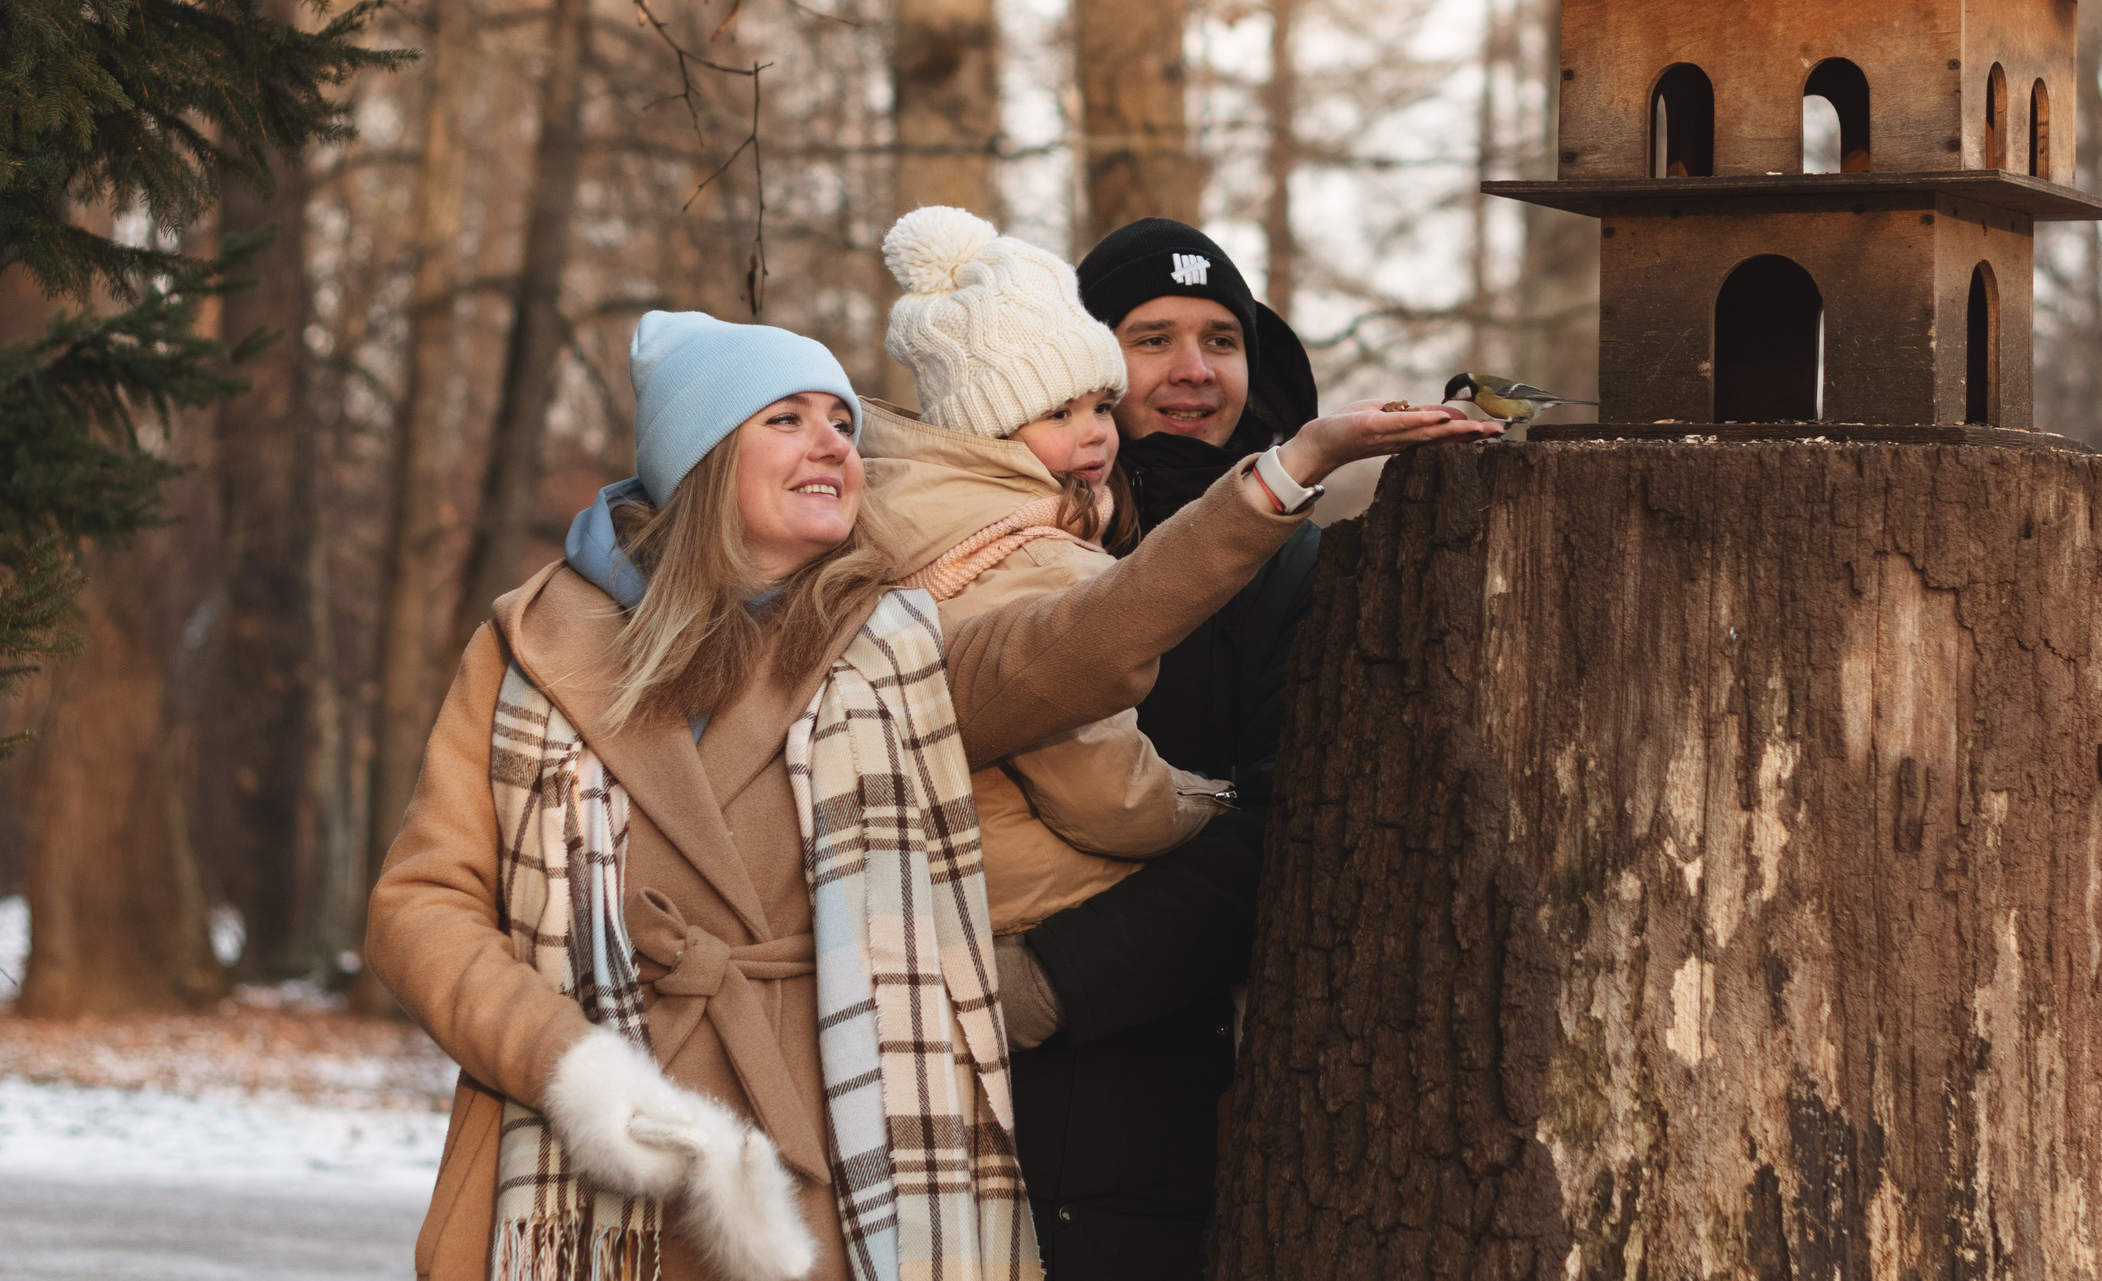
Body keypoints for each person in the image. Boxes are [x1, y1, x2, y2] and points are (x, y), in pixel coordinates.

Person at [365, 309, 1493, 1281]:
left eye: (846, 421)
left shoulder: (892, 647)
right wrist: (576, 1072)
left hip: (835, 1163)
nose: (835, 444)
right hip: (584, 1165)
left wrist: (1286, 472)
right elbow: (423, 906)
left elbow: (1089, 636)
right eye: (789, 418)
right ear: (702, 454)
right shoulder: (532, 650)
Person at [1004, 218, 1335, 1280]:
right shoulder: (1004, 539)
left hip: (1160, 1072)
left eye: (1221, 341)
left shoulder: (1295, 568)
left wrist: (1046, 980)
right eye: (1151, 339)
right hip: (938, 1054)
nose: (1194, 371)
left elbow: (1287, 829)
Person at [856, 207, 1229, 1034]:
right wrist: (1202, 805)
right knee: (1246, 875)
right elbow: (1103, 793)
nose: (1095, 434)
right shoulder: (1027, 556)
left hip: (939, 904)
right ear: (986, 429)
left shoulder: (927, 511)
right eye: (1058, 415)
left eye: (1100, 404)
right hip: (1018, 923)